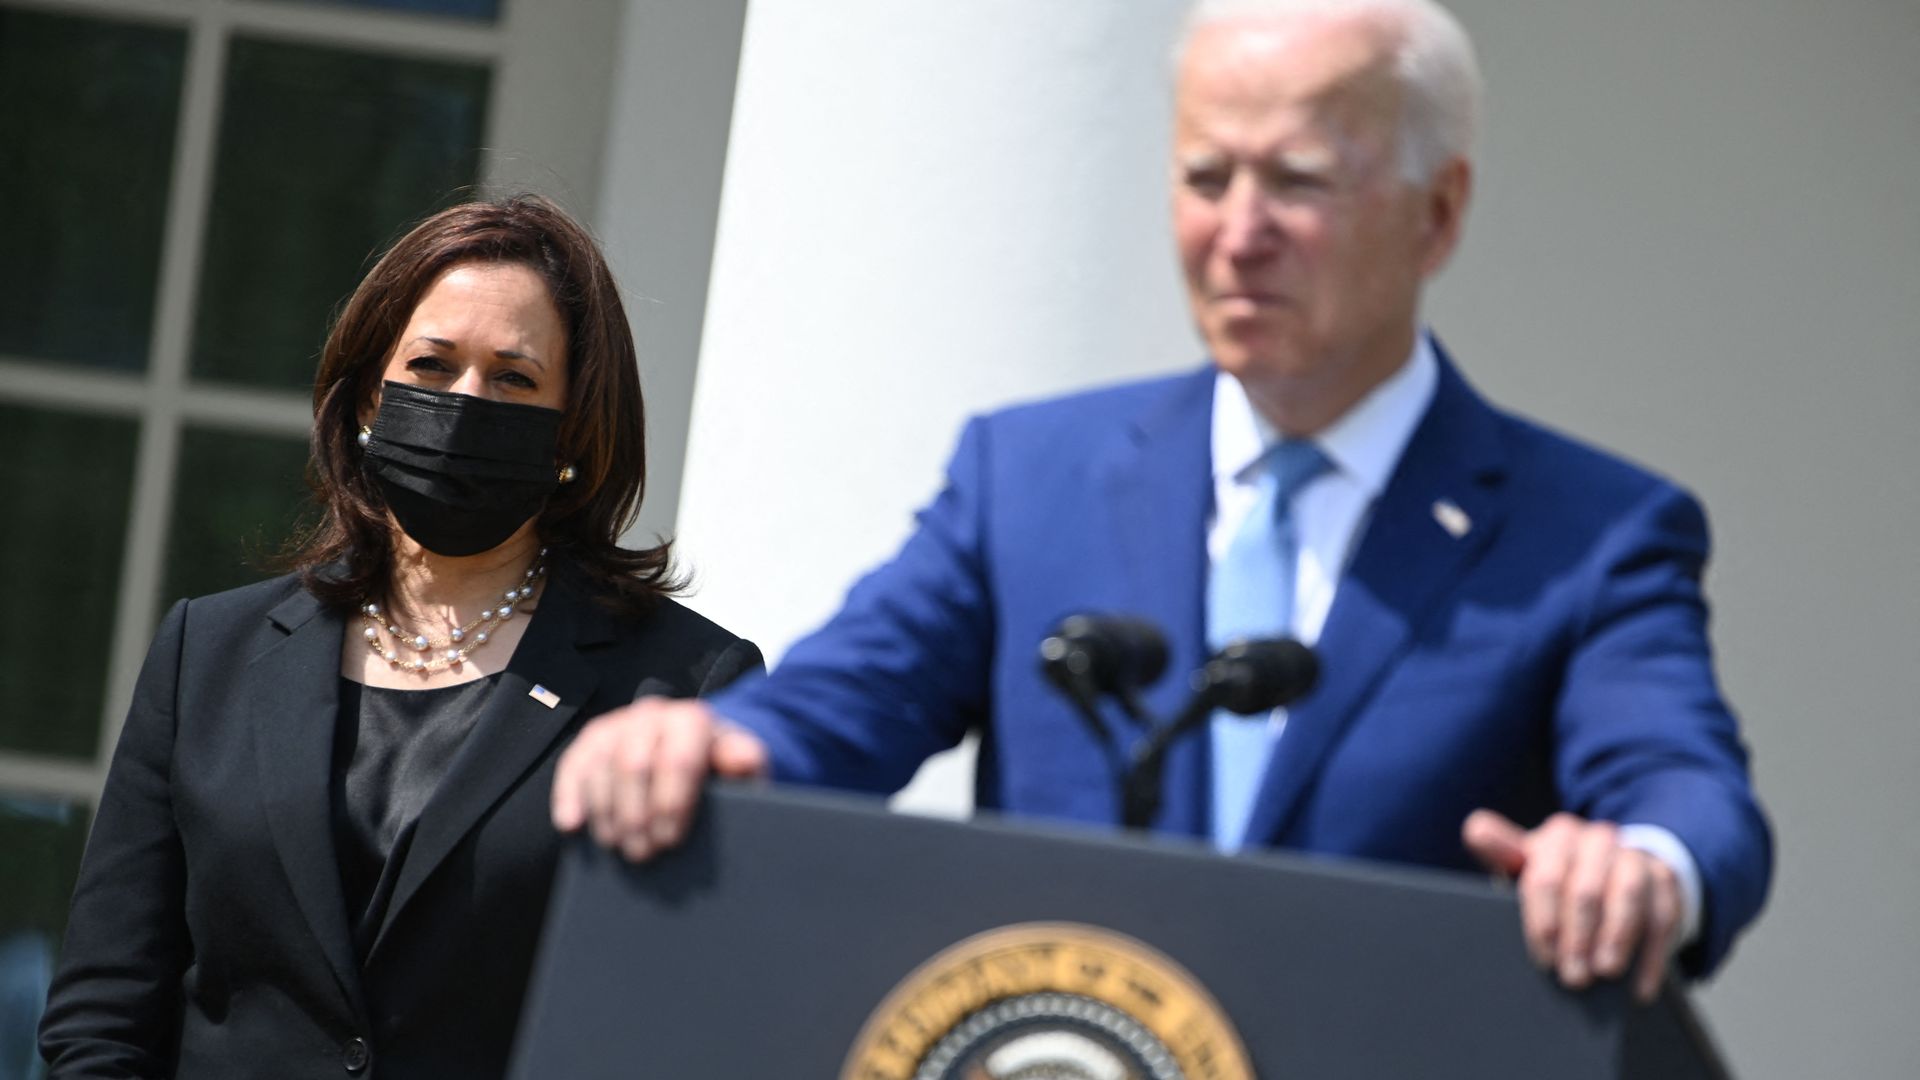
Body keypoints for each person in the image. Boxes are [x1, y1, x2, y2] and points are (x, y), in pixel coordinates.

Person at [551, 0, 1771, 1003]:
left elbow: (1689, 794)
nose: (1239, 234)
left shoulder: (1591, 533)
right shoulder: (1030, 478)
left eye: (1297, 180)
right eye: (1204, 175)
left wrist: (1640, 868)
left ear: (1437, 212)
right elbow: (843, 702)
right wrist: (720, 743)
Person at [39, 196, 762, 1079]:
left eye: (514, 378)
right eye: (432, 363)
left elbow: (697, 1028)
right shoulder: (208, 653)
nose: (465, 401)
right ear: (368, 397)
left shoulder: (682, 685)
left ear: (576, 426)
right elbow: (102, 1013)